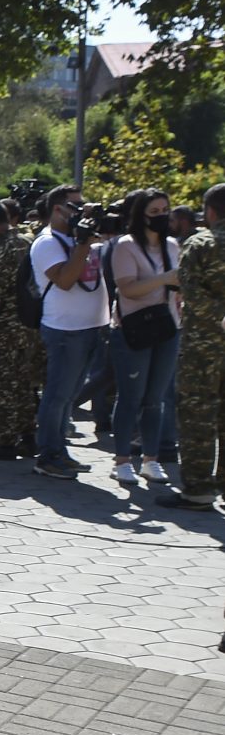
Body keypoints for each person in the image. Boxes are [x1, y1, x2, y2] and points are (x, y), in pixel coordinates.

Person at [31, 186, 106, 479]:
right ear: (57, 209)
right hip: (64, 330)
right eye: (75, 205)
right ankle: (48, 456)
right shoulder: (47, 243)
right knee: (57, 395)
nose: (81, 209)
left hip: (88, 327)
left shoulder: (76, 239)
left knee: (69, 395)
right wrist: (83, 244)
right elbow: (64, 281)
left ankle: (60, 450)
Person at [108, 189, 182, 485]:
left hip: (167, 328)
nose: (162, 215)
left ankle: (151, 459)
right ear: (141, 215)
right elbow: (127, 288)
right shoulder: (125, 246)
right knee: (130, 397)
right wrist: (164, 279)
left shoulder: (173, 246)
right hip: (134, 330)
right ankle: (122, 460)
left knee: (156, 399)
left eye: (165, 209)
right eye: (154, 211)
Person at [161, 185, 225, 511]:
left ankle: (198, 490)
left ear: (210, 212)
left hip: (204, 347)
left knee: (198, 416)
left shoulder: (199, 244)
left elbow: (191, 295)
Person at [0, 201, 41, 461]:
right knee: (24, 384)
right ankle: (27, 436)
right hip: (26, 327)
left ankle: (5, 441)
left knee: (2, 385)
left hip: (2, 329)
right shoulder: (25, 240)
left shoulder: (3, 247)